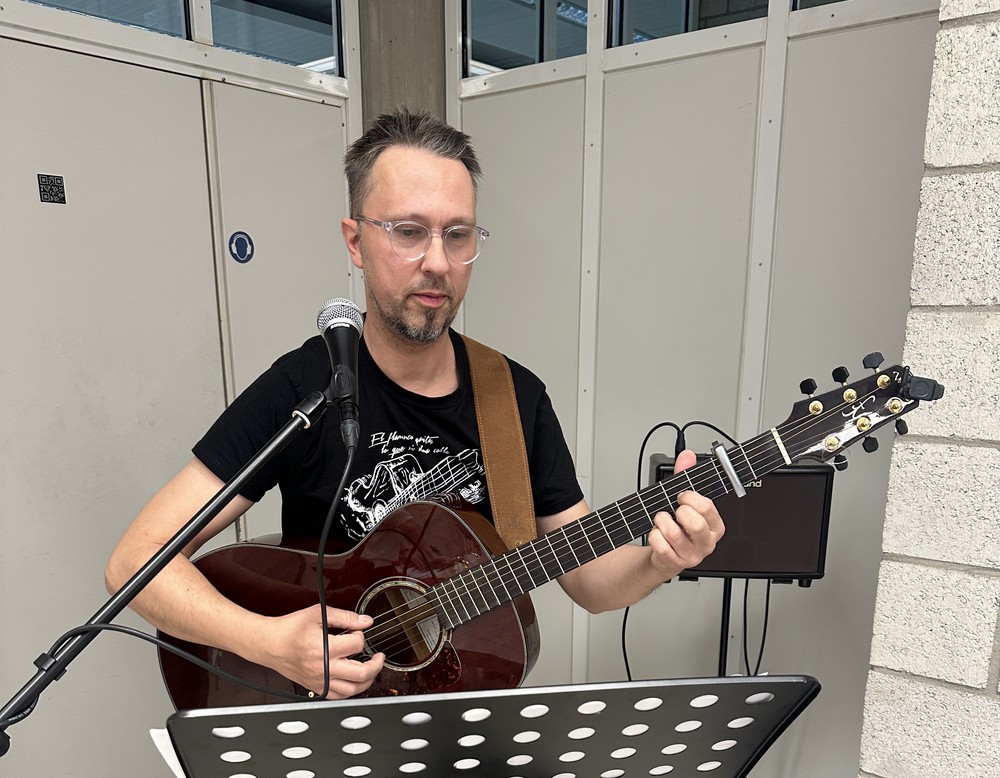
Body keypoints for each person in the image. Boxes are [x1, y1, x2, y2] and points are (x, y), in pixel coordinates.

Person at [105, 108, 724, 701]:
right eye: (408, 232)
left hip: (462, 710)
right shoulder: (305, 388)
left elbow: (588, 581)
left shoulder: (514, 397)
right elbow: (136, 563)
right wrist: (269, 642)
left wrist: (658, 560)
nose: (436, 262)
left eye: (458, 236)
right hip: (323, 719)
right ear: (355, 240)